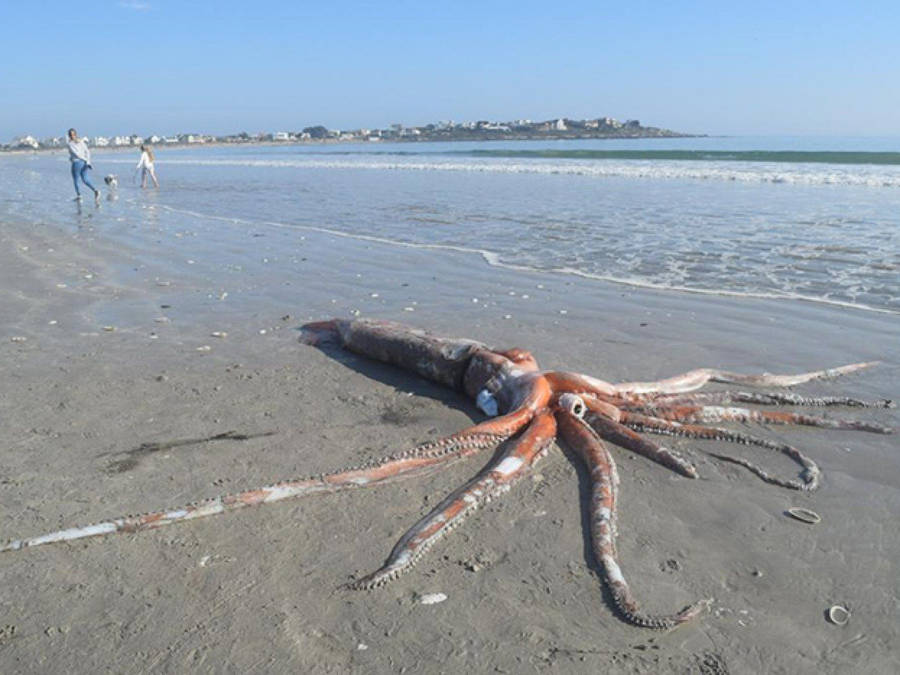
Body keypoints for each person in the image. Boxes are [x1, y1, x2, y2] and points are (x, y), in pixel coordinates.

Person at [67, 128, 100, 202]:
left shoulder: (70, 144)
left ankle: (79, 195)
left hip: (77, 162)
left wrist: (86, 160)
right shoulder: (81, 142)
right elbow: (87, 152)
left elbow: (76, 154)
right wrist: (88, 161)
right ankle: (95, 190)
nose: (71, 136)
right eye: (71, 135)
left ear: (75, 135)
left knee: (76, 180)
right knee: (85, 179)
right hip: (84, 162)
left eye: (72, 135)